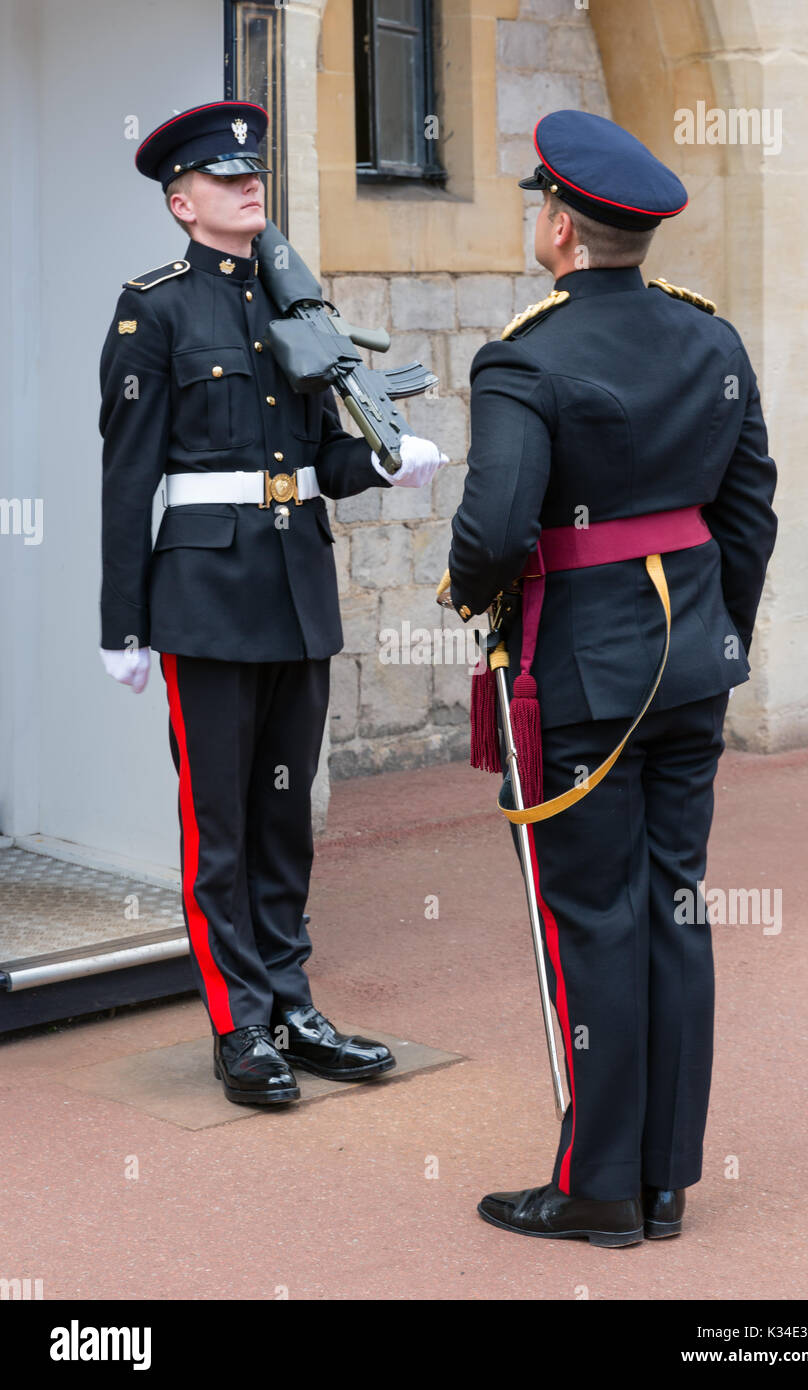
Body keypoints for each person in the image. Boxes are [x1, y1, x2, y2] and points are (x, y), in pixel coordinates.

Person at [446, 109, 777, 1245]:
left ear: (558, 230)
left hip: (581, 675)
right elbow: (747, 514)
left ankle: (596, 1191)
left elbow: (491, 533)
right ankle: (663, 1178)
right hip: (690, 670)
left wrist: (463, 594)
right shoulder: (711, 341)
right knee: (672, 911)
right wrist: (704, 641)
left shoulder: (525, 355)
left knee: (590, 920)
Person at [98, 101, 446, 1105]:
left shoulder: (297, 302)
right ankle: (238, 1024)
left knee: (284, 816)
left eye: (252, 172)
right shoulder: (152, 307)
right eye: (222, 176)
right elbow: (129, 478)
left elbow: (315, 455)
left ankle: (291, 1001)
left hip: (294, 586)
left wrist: (385, 462)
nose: (248, 182)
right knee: (220, 825)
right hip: (202, 595)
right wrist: (120, 620)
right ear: (180, 201)